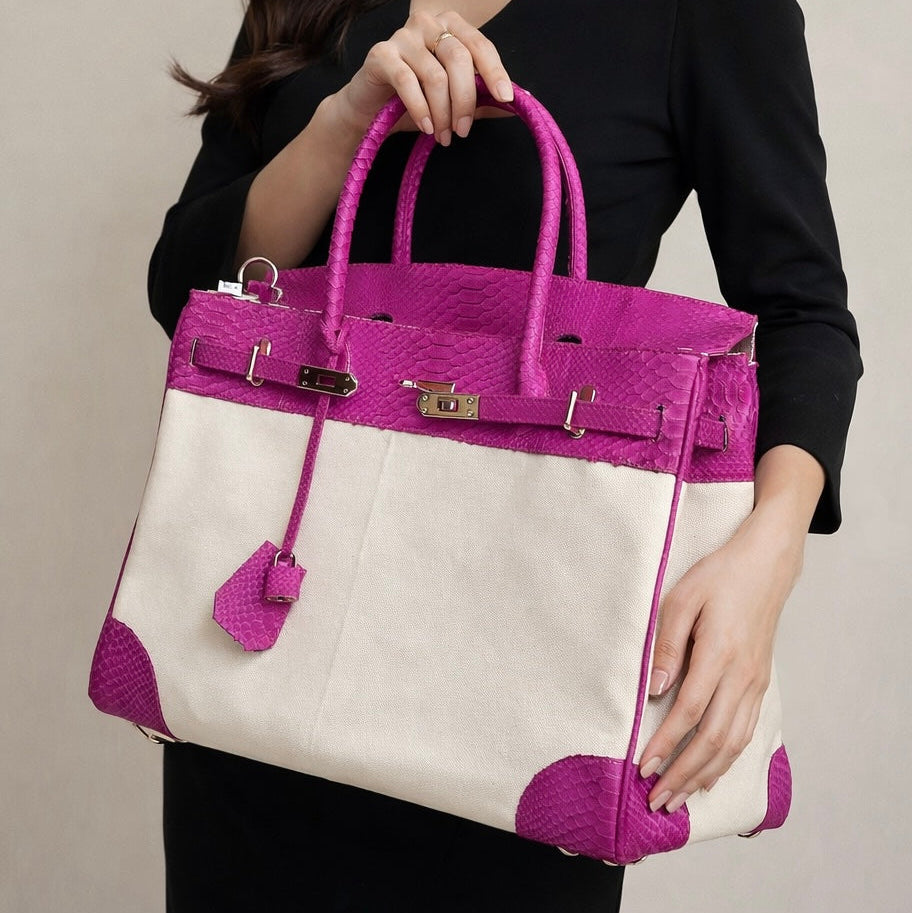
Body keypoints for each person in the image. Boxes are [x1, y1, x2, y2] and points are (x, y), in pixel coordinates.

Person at [148, 1, 862, 910]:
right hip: (263, 657)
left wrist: (770, 551)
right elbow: (189, 293)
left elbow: (802, 312)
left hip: (515, 686)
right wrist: (346, 120)